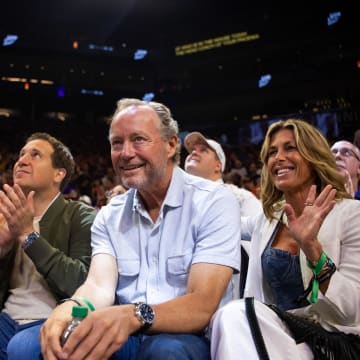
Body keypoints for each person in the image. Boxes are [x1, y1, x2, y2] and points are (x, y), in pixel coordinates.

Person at [39, 98, 241, 360]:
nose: (125, 153)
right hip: (125, 333)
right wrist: (72, 307)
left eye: (138, 139)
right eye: (116, 143)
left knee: (165, 352)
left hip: (190, 337)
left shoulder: (214, 201)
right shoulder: (109, 215)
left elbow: (201, 305)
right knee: (30, 345)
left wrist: (133, 314)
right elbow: (99, 287)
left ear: (170, 145)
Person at [210, 119, 360, 359]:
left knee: (236, 314)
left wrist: (311, 248)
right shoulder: (266, 220)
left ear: (313, 155)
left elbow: (352, 309)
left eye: (290, 148)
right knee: (226, 319)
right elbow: (221, 226)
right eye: (272, 152)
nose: (278, 157)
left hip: (333, 341)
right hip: (277, 335)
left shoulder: (352, 214)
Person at [0, 132, 96, 359]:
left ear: (58, 174)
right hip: (6, 317)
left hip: (52, 319)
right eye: (22, 154)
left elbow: (80, 282)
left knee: (22, 349)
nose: (22, 160)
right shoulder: (5, 216)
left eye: (35, 155)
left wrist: (28, 236)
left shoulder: (81, 216)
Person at [184, 132, 262, 217]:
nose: (194, 153)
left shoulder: (240, 198)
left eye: (203, 150)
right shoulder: (181, 201)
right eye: (192, 150)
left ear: (218, 166)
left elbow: (261, 228)